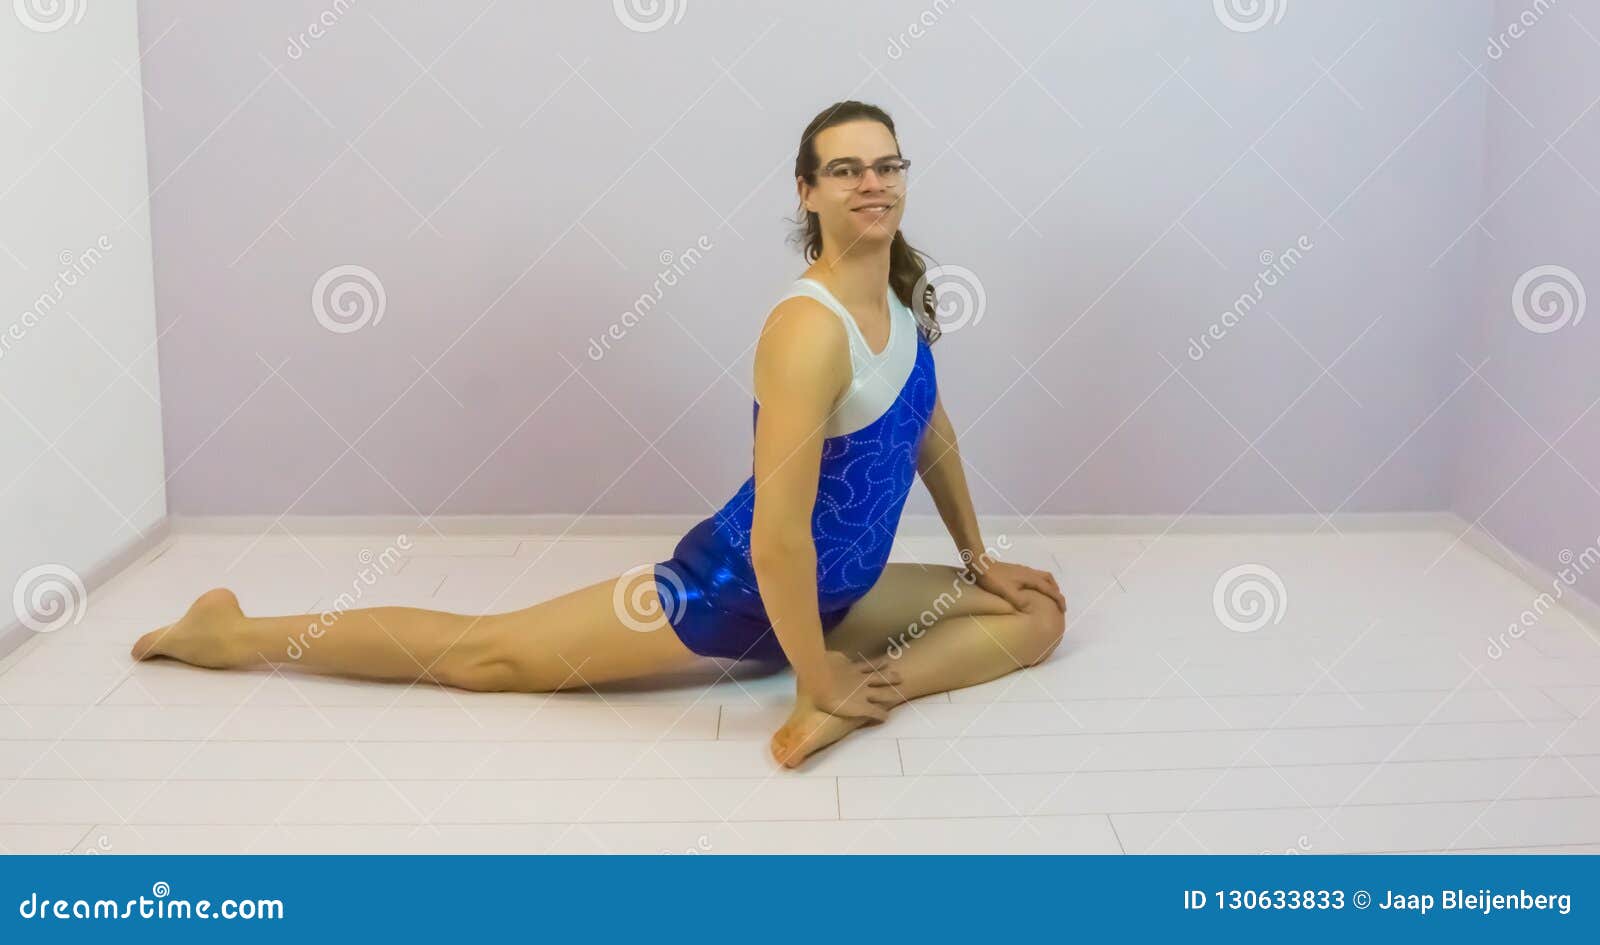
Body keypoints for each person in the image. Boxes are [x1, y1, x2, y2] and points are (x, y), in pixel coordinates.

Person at [133, 100, 1068, 768]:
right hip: (735, 592)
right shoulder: (806, 332)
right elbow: (780, 538)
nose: (873, 182)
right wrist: (815, 672)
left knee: (1039, 612)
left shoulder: (904, 295)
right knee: (487, 656)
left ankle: (857, 701)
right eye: (847, 168)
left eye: (888, 164)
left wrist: (978, 557)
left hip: (843, 591)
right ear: (808, 192)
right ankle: (234, 632)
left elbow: (926, 425)